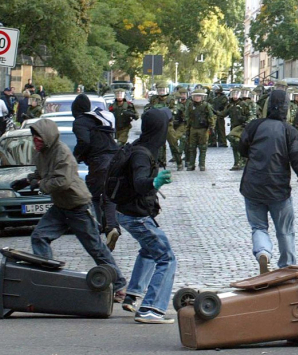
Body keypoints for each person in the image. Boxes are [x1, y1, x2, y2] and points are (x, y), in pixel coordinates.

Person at [15, 119, 127, 301]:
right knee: (39, 236)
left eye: (39, 137)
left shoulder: (62, 153)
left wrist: (40, 184)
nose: (35, 140)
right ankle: (47, 278)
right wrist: (27, 180)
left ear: (47, 137)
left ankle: (120, 284)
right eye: (34, 137)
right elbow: (41, 173)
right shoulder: (40, 154)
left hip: (78, 205)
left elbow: (62, 181)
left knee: (95, 248)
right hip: (60, 207)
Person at [239, 89, 298, 274]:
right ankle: (287, 267)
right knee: (285, 230)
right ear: (287, 109)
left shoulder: (254, 126)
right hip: (278, 190)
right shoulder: (291, 132)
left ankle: (263, 252)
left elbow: (242, 148)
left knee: (258, 227)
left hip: (252, 187)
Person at [118, 108, 177, 324]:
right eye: (166, 126)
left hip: (132, 212)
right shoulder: (142, 154)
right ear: (159, 129)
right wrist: (155, 182)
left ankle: (133, 295)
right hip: (135, 216)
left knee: (150, 249)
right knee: (166, 257)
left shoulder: (140, 147)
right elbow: (139, 182)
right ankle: (151, 308)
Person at [72, 94, 121, 250]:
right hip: (115, 159)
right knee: (108, 196)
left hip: (99, 162)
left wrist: (75, 156)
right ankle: (112, 227)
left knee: (92, 196)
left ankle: (98, 228)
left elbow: (84, 142)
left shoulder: (80, 122)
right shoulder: (98, 118)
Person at [145, 81, 176, 168]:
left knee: (173, 143)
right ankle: (161, 161)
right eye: (160, 90)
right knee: (160, 144)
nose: (161, 92)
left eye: (163, 90)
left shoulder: (170, 99)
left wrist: (167, 111)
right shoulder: (154, 99)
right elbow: (148, 107)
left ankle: (178, 160)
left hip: (168, 123)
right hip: (157, 124)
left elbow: (174, 110)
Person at [186, 89, 215, 171]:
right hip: (193, 128)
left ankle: (202, 164)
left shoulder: (206, 106)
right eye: (196, 96)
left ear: (202, 97)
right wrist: (187, 129)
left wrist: (211, 127)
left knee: (203, 147)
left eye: (199, 96)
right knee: (192, 147)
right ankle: (191, 164)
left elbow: (211, 117)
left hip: (203, 129)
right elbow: (188, 117)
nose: (197, 98)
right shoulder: (190, 105)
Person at [221, 89, 248, 170]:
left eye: (237, 94)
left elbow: (249, 115)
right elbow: (224, 113)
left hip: (241, 127)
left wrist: (246, 122)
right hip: (233, 127)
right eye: (233, 94)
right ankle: (237, 162)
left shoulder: (243, 104)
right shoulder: (230, 105)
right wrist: (214, 111)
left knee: (239, 142)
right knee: (234, 145)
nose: (235, 96)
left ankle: (243, 161)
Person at [173, 88, 190, 170]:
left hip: (186, 124)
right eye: (181, 94)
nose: (183, 96)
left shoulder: (190, 103)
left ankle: (186, 159)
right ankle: (177, 155)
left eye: (184, 94)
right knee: (175, 139)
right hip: (177, 124)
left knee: (186, 141)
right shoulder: (176, 103)